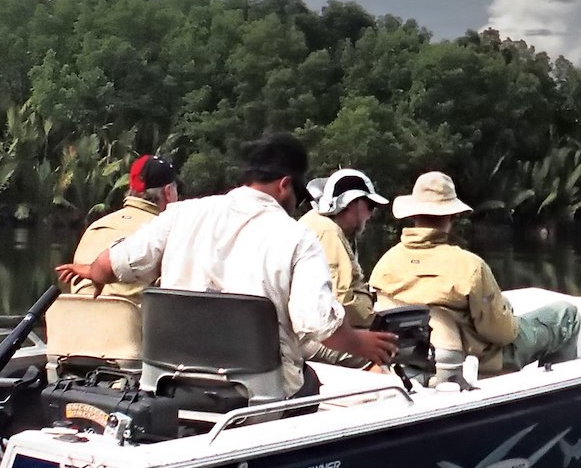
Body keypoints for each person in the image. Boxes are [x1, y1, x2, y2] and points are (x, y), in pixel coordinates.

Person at [71, 133, 397, 397]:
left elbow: (116, 262)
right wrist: (359, 342)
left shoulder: (182, 214)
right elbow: (317, 325)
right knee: (310, 382)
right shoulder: (299, 238)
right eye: (297, 194)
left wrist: (93, 274)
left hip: (171, 386)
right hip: (257, 394)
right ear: (285, 184)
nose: (295, 205)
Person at [369, 171, 579, 382]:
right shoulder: (470, 267)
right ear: (452, 216)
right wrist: (508, 316)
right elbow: (502, 334)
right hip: (478, 359)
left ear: (413, 215)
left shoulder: (385, 263)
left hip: (416, 359)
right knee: (566, 315)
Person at [54, 153, 178, 300]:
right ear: (168, 192)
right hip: (131, 321)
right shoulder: (166, 232)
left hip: (76, 317)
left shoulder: (95, 226)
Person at [300, 169, 388, 364]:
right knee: (381, 354)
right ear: (352, 203)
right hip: (312, 336)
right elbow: (342, 298)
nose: (370, 214)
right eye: (370, 205)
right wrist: (376, 320)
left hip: (311, 330)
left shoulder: (319, 224)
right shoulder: (327, 231)